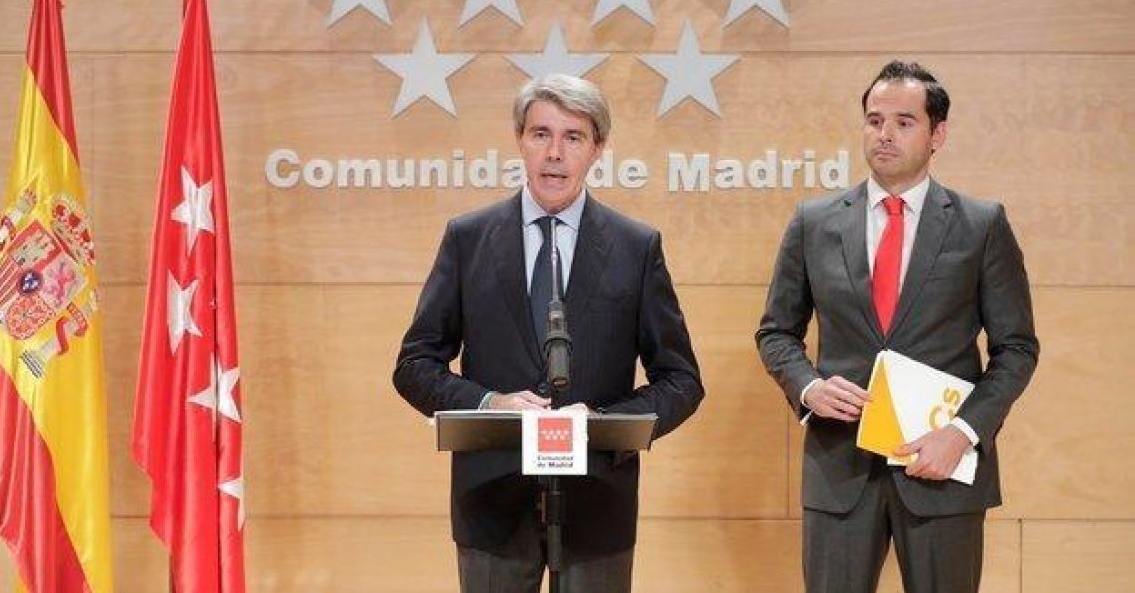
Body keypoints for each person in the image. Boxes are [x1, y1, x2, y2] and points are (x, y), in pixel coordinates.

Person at [394, 73, 704, 593]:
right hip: (491, 503)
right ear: (520, 140)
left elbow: (681, 381)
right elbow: (414, 366)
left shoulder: (635, 247)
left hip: (596, 505)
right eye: (541, 134)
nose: (554, 153)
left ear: (597, 148)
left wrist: (602, 421)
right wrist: (491, 403)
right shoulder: (468, 239)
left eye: (573, 137)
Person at [756, 61, 1039, 593]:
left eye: (904, 122)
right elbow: (776, 333)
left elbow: (1016, 349)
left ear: (938, 134)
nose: (884, 134)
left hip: (942, 466)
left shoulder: (982, 225)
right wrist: (809, 387)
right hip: (839, 468)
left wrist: (962, 433)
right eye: (874, 119)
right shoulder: (813, 222)